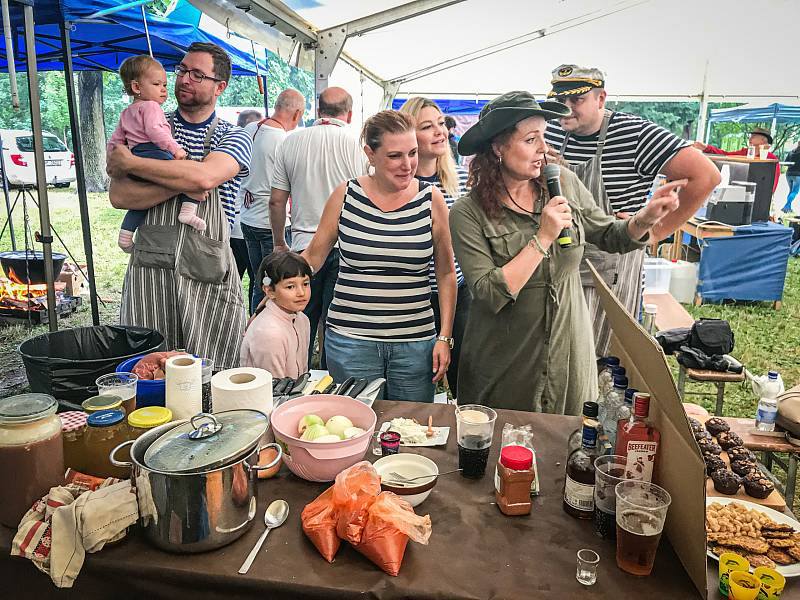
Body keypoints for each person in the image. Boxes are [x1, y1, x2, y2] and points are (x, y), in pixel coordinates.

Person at [450, 91, 684, 414]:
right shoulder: (468, 212)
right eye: (530, 140)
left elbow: (610, 235)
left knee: (568, 450)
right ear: (498, 147)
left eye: (544, 137)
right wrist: (542, 237)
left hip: (569, 354)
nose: (543, 149)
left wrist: (645, 218)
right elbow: (490, 292)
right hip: (506, 366)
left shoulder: (563, 184)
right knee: (504, 455)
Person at [544, 64, 719, 357]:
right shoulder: (551, 129)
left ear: (601, 99)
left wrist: (657, 232)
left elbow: (706, 176)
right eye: (560, 101)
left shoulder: (635, 134)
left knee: (600, 358)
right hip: (560, 261)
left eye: (576, 100)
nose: (566, 108)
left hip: (610, 267)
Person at [107, 42, 252, 369]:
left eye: (197, 74)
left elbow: (204, 179)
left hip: (206, 269)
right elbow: (120, 197)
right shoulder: (147, 122)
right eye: (182, 70)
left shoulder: (234, 136)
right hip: (150, 271)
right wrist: (184, 176)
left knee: (209, 370)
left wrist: (134, 163)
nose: (184, 79)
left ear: (220, 87)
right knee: (150, 370)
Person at [301, 110, 457, 402]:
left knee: (409, 431)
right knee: (352, 428)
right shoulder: (345, 195)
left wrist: (444, 337)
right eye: (395, 156)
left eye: (412, 153)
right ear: (370, 154)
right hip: (350, 341)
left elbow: (446, 272)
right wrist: (276, 284)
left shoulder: (431, 199)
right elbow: (313, 257)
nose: (408, 165)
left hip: (414, 343)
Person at [269, 87, 368, 364]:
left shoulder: (290, 142)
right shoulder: (357, 146)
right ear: (348, 114)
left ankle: (296, 376)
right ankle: (328, 381)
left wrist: (280, 243)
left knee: (299, 318)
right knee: (334, 322)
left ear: (317, 109)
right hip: (346, 246)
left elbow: (277, 201)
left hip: (303, 247)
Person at [399, 97, 471, 399]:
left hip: (457, 291)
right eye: (427, 126)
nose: (439, 131)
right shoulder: (399, 184)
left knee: (461, 374)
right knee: (416, 377)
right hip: (413, 294)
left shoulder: (461, 180)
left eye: (441, 123)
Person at [107, 55, 205, 253]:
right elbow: (156, 131)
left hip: (136, 155)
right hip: (154, 151)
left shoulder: (127, 112)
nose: (163, 89)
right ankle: (187, 210)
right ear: (136, 87)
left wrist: (114, 160)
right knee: (189, 176)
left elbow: (116, 140)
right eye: (157, 84)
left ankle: (125, 236)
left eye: (165, 85)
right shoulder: (151, 107)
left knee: (142, 201)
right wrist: (174, 149)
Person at [240, 89, 305, 311]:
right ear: (296, 114)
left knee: (259, 280)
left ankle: (253, 322)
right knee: (272, 284)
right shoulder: (284, 140)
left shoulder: (252, 128)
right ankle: (263, 327)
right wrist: (281, 240)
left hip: (247, 219)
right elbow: (281, 196)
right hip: (272, 225)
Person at [240, 251, 311, 378]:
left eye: (305, 284)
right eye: (290, 287)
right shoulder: (269, 333)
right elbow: (274, 387)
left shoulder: (302, 319)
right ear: (269, 291)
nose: (301, 292)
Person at [230, 109, 263, 308]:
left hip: (239, 228)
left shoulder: (232, 149)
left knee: (242, 280)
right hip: (243, 228)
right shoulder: (245, 150)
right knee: (252, 281)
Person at [694, 127, 780, 193]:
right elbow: (726, 155)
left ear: (763, 140)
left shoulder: (771, 159)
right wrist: (706, 147)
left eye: (753, 137)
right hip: (740, 191)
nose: (750, 139)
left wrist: (768, 195)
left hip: (760, 194)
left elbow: (774, 182)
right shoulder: (744, 152)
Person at [783, 144, 800, 213]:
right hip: (797, 175)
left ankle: (788, 209)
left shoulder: (791, 152)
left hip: (789, 174)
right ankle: (786, 206)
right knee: (795, 191)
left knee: (791, 191)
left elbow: (785, 163)